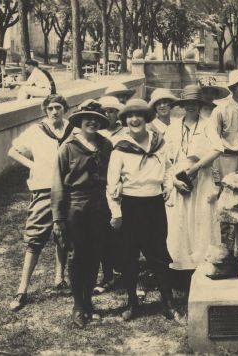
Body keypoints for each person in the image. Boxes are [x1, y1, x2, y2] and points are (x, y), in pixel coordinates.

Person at [106, 98, 180, 322]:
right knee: (129, 256)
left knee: (159, 254)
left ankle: (168, 303)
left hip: (154, 205)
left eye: (139, 115)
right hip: (130, 205)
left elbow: (168, 168)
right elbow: (112, 184)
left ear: (147, 118)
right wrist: (116, 212)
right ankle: (132, 303)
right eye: (129, 116)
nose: (134, 119)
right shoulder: (119, 147)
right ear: (125, 120)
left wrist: (167, 186)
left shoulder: (160, 142)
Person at [8, 94, 75, 311]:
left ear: (65, 109)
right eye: (50, 108)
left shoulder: (73, 129)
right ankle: (22, 290)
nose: (54, 112)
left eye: (58, 107)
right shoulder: (36, 131)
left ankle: (59, 277)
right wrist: (32, 165)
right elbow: (13, 150)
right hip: (44, 189)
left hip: (68, 189)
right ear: (45, 110)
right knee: (35, 238)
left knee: (64, 235)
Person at [51, 100, 112, 328]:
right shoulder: (68, 147)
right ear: (80, 121)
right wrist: (58, 218)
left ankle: (88, 302)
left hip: (100, 206)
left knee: (95, 253)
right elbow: (57, 184)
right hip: (75, 205)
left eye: (97, 118)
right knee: (77, 256)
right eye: (88, 118)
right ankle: (78, 306)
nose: (92, 121)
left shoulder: (106, 146)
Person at [165, 85, 224, 271]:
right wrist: (173, 180)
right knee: (180, 220)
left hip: (201, 175)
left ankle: (202, 264)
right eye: (188, 103)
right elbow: (166, 158)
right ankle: (180, 265)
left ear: (200, 105)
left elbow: (218, 148)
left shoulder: (207, 124)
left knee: (201, 218)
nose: (191, 107)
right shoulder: (174, 126)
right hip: (179, 176)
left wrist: (197, 167)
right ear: (183, 105)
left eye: (195, 103)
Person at [92, 96, 125, 295]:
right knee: (102, 232)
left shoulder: (125, 132)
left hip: (121, 187)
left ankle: (124, 270)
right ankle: (107, 274)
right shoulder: (96, 133)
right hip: (99, 188)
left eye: (112, 111)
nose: (108, 114)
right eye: (105, 111)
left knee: (122, 232)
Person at [209, 69, 238, 180]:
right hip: (226, 159)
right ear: (232, 88)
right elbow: (213, 141)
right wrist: (215, 167)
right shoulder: (220, 110)